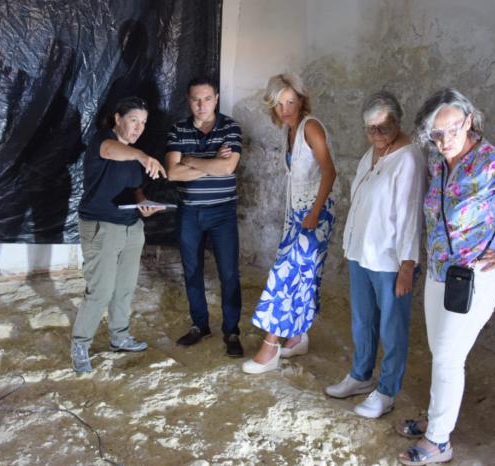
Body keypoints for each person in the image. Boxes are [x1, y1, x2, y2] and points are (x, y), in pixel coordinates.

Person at [396, 88, 495, 465]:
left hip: (474, 277)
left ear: (468, 121)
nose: (445, 139)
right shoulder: (438, 160)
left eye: (453, 129)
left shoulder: (490, 163)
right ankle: (436, 419)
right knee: (441, 353)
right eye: (436, 133)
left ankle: (438, 442)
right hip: (439, 274)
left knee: (449, 357)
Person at [324, 91, 425, 419]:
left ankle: (387, 390)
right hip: (361, 254)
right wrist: (350, 246)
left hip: (390, 260)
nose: (377, 134)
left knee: (392, 327)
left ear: (398, 121)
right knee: (362, 320)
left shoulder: (408, 158)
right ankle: (360, 375)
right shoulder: (373, 153)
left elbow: (410, 214)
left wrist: (407, 265)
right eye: (371, 128)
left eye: (384, 126)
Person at [242, 73, 337, 374]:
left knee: (284, 274)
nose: (286, 108)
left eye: (291, 101)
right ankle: (296, 339)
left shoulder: (310, 127)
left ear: (301, 100)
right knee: (303, 277)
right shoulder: (289, 130)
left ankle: (270, 348)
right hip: (298, 214)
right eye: (280, 103)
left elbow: (329, 173)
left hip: (315, 215)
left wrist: (313, 213)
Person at [71, 96, 167, 373]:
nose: (138, 128)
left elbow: (136, 190)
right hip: (102, 227)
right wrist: (142, 155)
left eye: (143, 123)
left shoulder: (137, 155)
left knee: (125, 287)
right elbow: (111, 151)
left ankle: (119, 336)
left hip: (131, 226)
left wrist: (144, 204)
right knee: (100, 290)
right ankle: (80, 344)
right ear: (117, 119)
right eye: (133, 120)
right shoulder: (102, 142)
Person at [165, 76, 244, 357]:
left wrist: (189, 160)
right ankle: (200, 325)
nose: (201, 104)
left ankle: (231, 331)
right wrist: (213, 163)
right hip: (189, 212)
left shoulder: (231, 127)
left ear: (217, 98)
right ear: (188, 101)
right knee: (192, 271)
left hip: (222, 212)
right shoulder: (178, 130)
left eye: (207, 98)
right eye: (196, 99)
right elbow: (173, 173)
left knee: (229, 273)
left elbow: (228, 169)